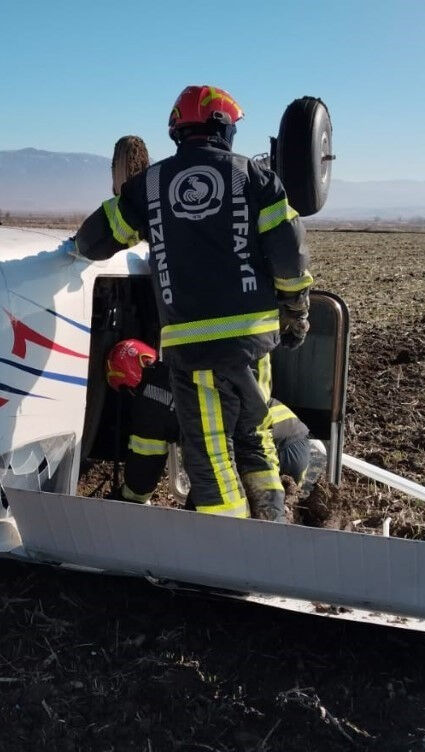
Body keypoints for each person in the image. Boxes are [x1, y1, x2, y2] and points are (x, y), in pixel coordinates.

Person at [72, 85, 313, 520]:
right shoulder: (257, 179)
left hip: (193, 350)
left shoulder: (151, 184)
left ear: (178, 131)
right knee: (255, 439)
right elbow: (290, 252)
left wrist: (72, 248)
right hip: (253, 347)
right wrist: (296, 313)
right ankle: (272, 525)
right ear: (224, 129)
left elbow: (95, 238)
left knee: (210, 457)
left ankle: (229, 547)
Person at [104, 339, 311, 520]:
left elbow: (143, 474)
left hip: (260, 452)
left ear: (126, 385)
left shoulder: (148, 403)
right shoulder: (182, 368)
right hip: (294, 442)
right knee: (273, 525)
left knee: (207, 516)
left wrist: (123, 499)